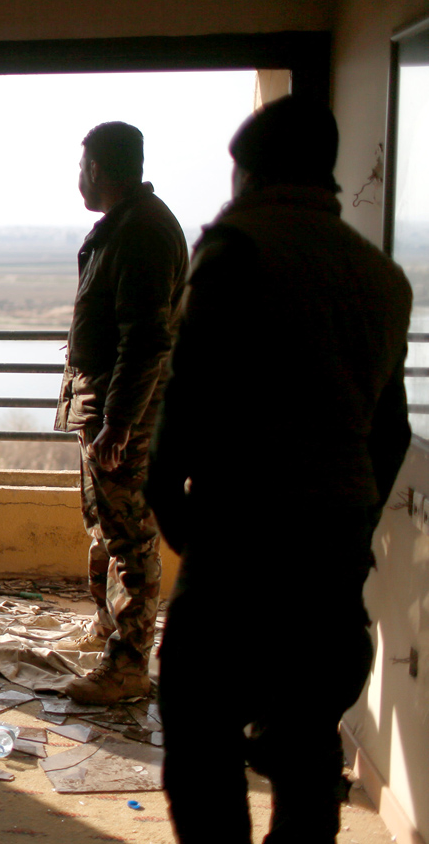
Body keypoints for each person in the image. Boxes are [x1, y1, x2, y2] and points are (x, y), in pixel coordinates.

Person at [148, 96, 411, 844]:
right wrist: (352, 519)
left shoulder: (237, 251)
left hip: (243, 533)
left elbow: (185, 405)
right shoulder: (382, 277)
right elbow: (391, 433)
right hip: (332, 546)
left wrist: (178, 518)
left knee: (199, 732)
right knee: (302, 741)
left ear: (252, 173)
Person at [53, 122, 189, 705]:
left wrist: (118, 422)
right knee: (106, 524)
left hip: (121, 414)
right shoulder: (127, 227)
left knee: (129, 535)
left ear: (101, 170)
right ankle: (113, 631)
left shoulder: (141, 235)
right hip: (106, 406)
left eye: (82, 167)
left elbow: (144, 340)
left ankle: (129, 664)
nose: (78, 178)